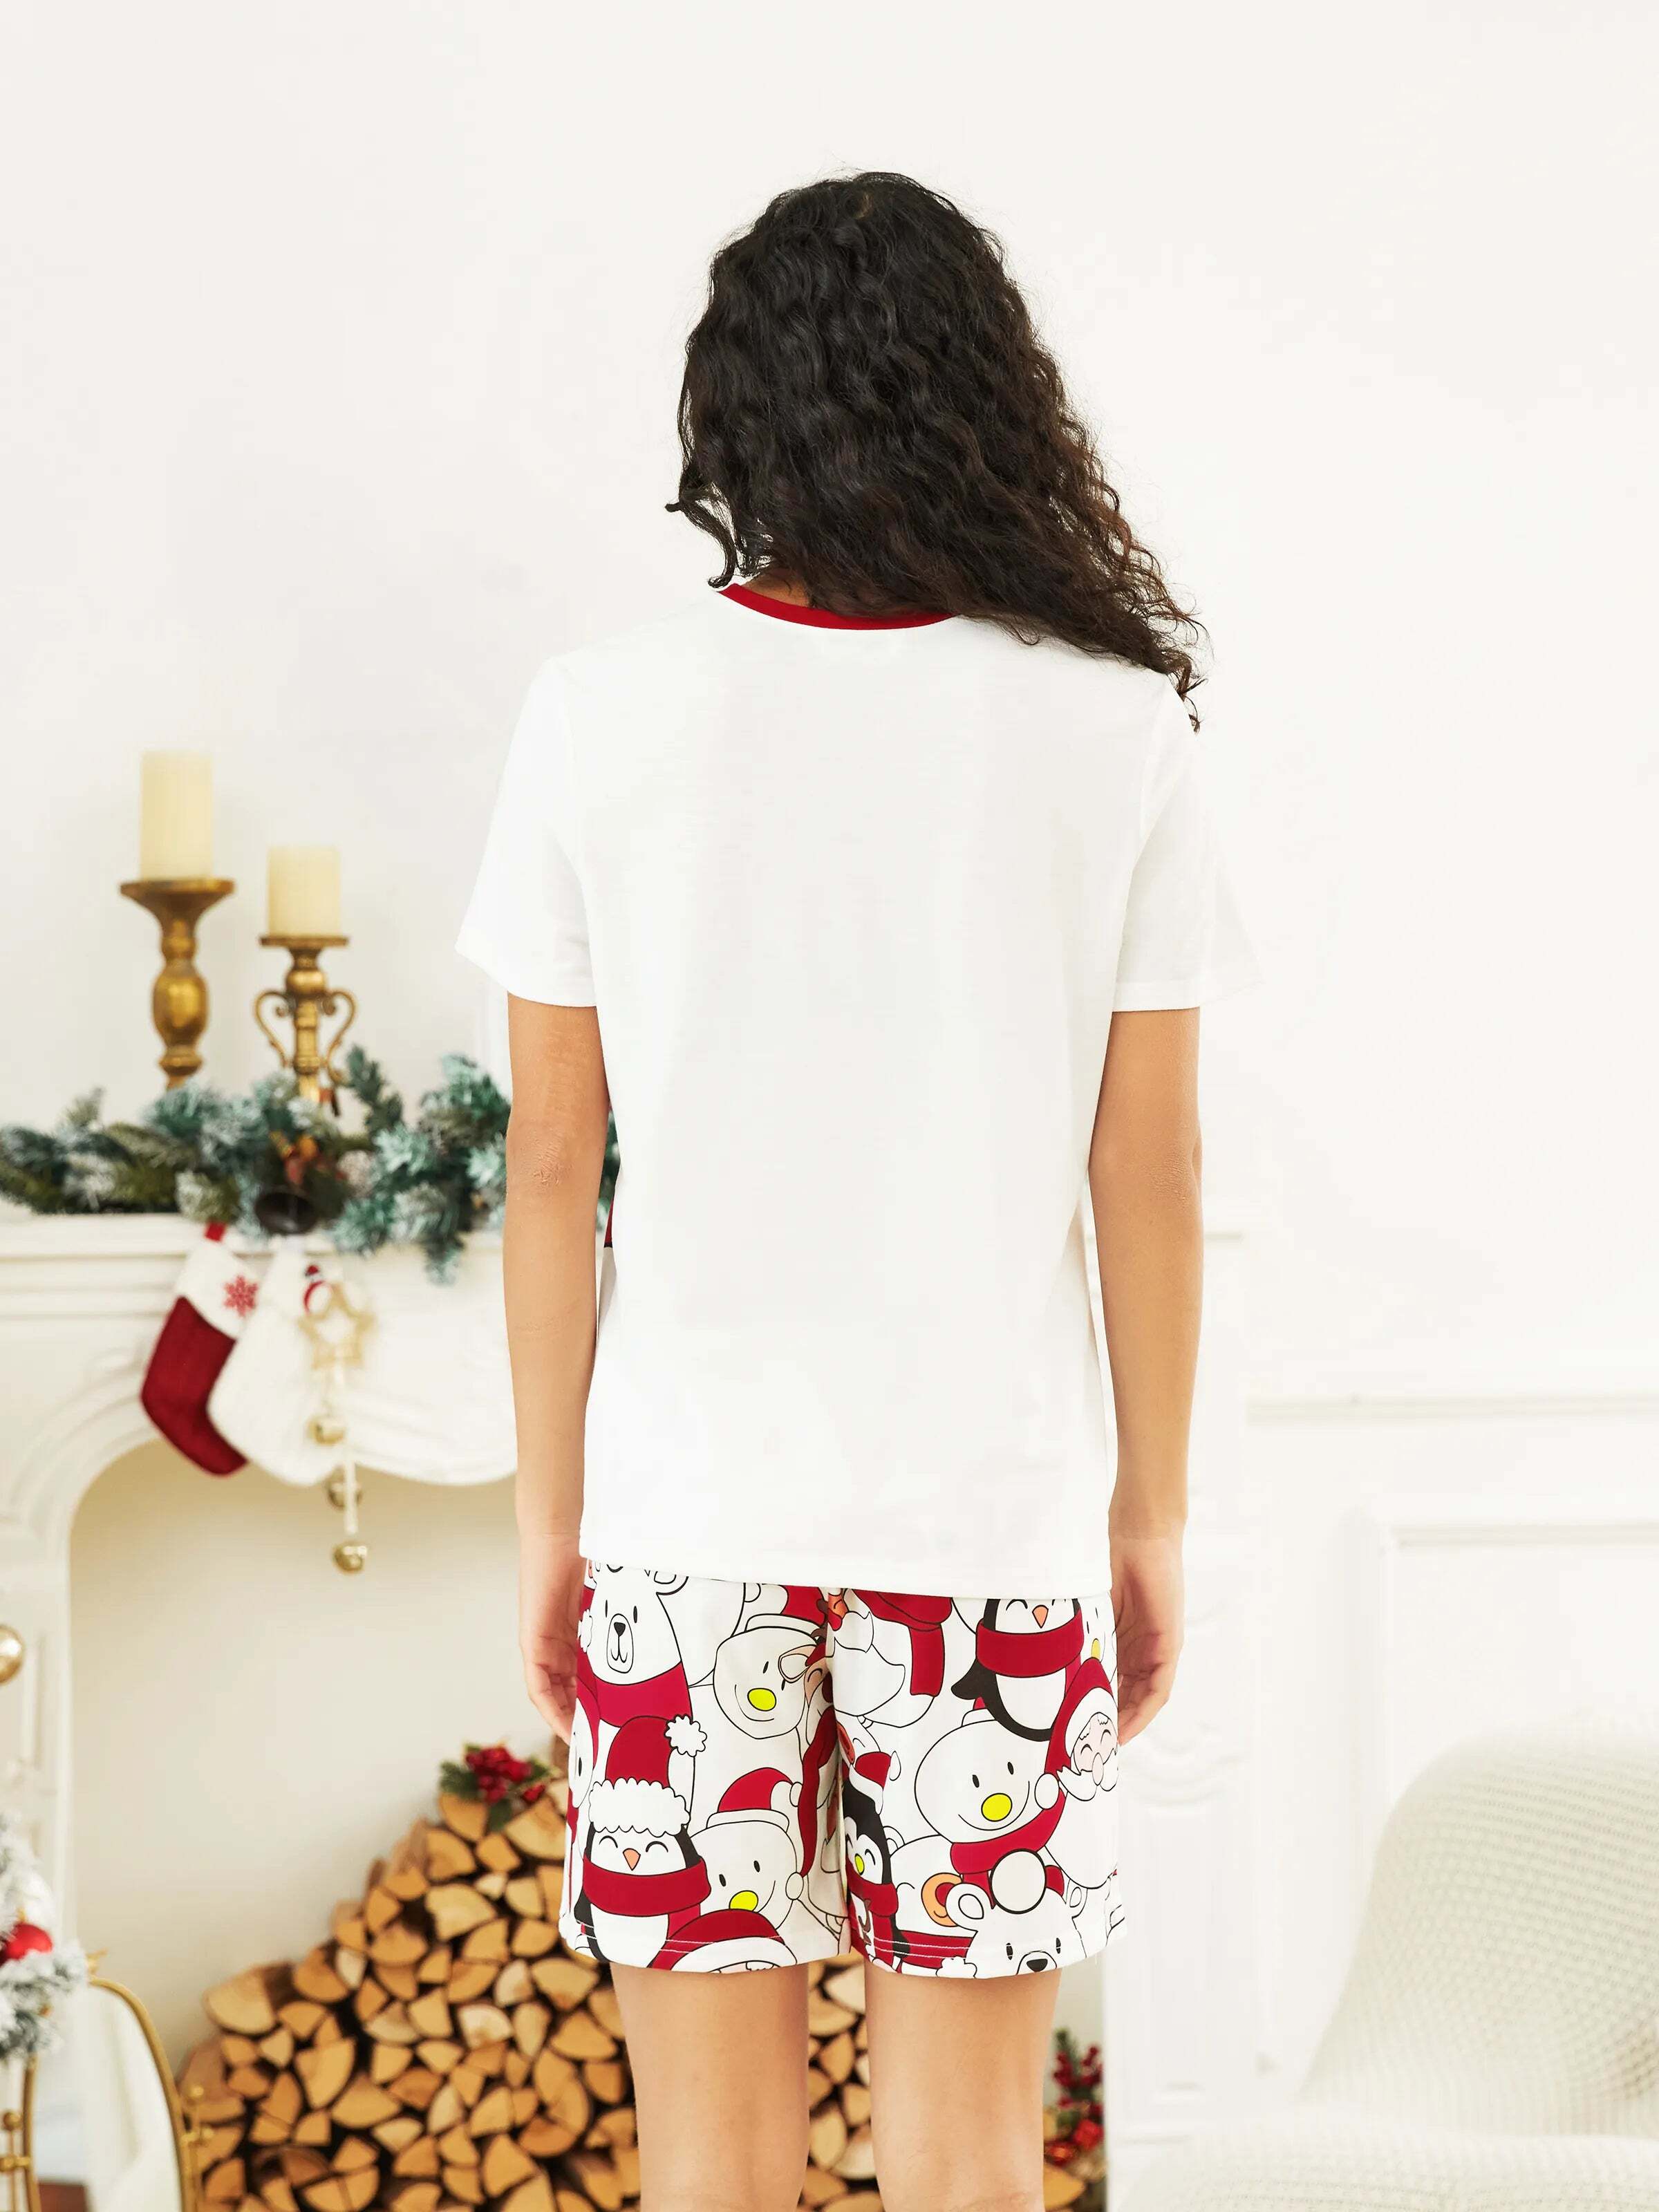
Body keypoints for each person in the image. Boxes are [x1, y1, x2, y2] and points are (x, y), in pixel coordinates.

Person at [458, 171, 1255, 2212]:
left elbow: (550, 1165)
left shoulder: (600, 717)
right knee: (972, 2171)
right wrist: (1148, 1514)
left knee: (710, 2176)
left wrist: (554, 1523)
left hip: (684, 1528)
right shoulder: (1114, 730)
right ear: (989, 397)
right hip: (988, 1527)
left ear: (733, 415)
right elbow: (1150, 1170)